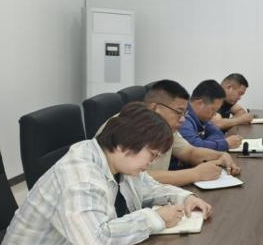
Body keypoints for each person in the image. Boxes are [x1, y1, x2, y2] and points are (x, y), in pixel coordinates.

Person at [0, 103, 213, 245]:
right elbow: (96, 239)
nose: (153, 162)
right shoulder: (80, 175)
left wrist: (185, 198)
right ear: (125, 145)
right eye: (152, 155)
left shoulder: (115, 162)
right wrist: (155, 218)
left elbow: (149, 187)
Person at [98, 80, 241, 186]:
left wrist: (219, 155)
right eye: (178, 112)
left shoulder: (165, 127)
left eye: (184, 113)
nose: (182, 119)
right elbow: (135, 179)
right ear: (155, 108)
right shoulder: (128, 125)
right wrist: (195, 174)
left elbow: (189, 152)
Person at [180, 80, 243, 152]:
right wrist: (225, 144)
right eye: (213, 110)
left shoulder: (203, 118)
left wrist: (205, 143)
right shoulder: (182, 119)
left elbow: (218, 133)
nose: (215, 114)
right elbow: (194, 148)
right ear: (200, 103)